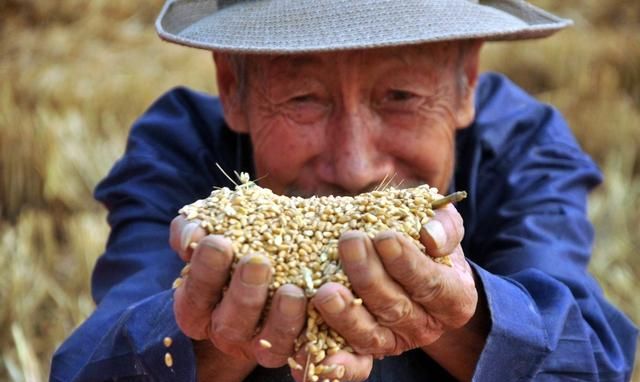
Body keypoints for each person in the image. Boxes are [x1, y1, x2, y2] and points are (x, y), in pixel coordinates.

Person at [51, 1, 637, 381]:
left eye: (401, 97)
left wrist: (463, 317)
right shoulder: (178, 150)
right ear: (231, 87)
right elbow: (87, 366)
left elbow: (592, 360)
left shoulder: (523, 147)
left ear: (466, 86)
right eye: (304, 99)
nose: (356, 168)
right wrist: (209, 335)